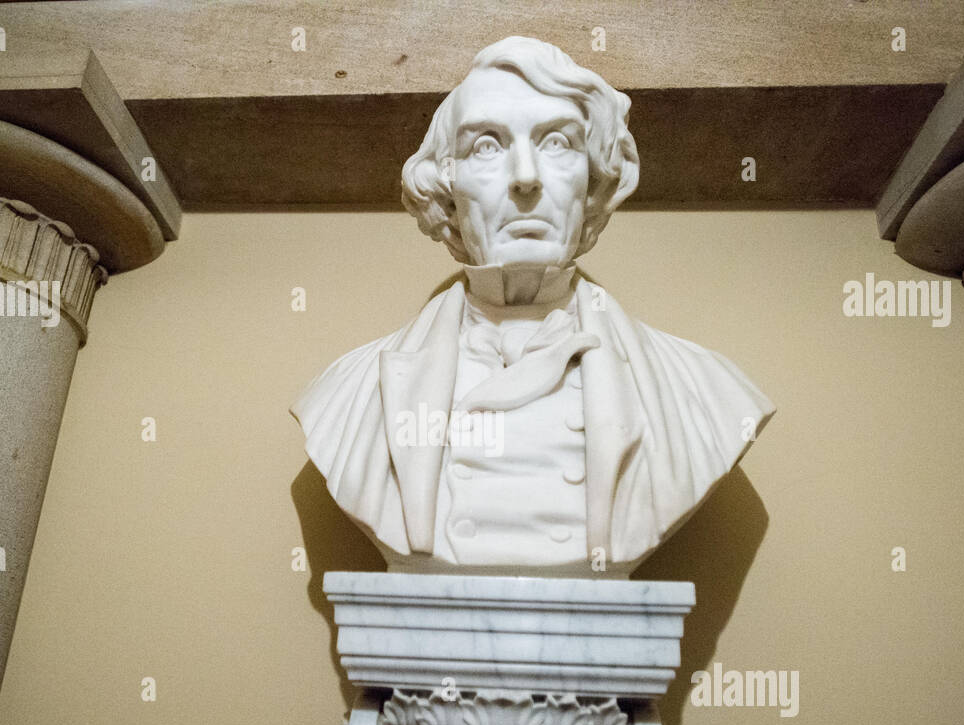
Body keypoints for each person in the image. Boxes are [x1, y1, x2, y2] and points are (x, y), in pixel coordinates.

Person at [292, 36, 774, 576]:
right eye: (487, 147)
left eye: (558, 143)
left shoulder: (704, 392)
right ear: (446, 190)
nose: (526, 177)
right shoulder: (348, 392)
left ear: (594, 182)